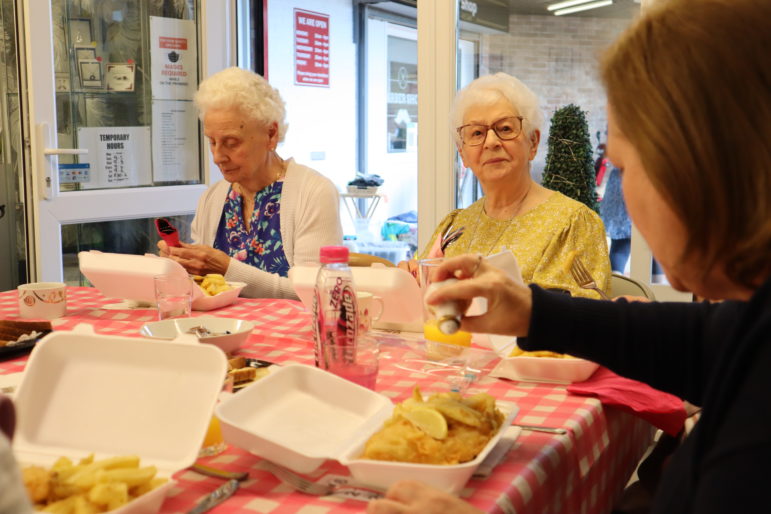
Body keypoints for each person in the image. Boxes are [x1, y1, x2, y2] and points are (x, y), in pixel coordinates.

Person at [371, 0, 771, 512]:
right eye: (475, 134)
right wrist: (533, 311)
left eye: (624, 167)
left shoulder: (758, 441)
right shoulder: (755, 325)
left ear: (700, 168)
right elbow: (701, 339)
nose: (621, 195)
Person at [399, 73, 611, 298]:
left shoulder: (572, 224)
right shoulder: (454, 227)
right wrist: (408, 280)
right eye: (477, 133)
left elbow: (587, 322)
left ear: (533, 142)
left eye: (505, 129)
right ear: (463, 154)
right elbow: (422, 300)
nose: (491, 142)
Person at [158, 67, 342, 299]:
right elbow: (202, 288)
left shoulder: (313, 192)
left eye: (231, 142)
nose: (217, 157)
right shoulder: (213, 198)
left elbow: (318, 293)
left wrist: (227, 270)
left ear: (271, 134)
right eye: (212, 142)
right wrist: (180, 265)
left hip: (288, 333)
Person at [599, 166, 631, 273]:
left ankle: (616, 285)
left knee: (620, 244)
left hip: (621, 180)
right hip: (650, 179)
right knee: (653, 252)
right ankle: (657, 286)